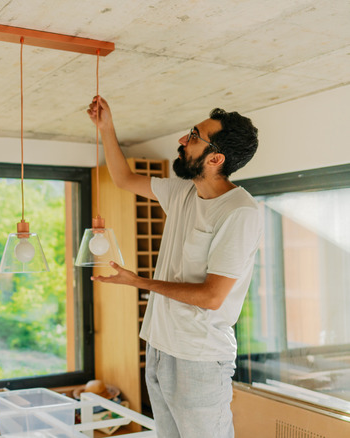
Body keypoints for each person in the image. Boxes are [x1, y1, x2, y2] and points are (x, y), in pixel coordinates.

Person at [87, 96, 261, 437]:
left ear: (215, 158)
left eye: (194, 136)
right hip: (158, 346)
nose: (183, 140)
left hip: (199, 357)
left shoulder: (239, 212)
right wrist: (107, 128)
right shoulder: (183, 192)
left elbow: (213, 297)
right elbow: (123, 179)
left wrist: (139, 282)